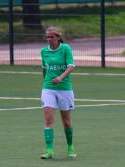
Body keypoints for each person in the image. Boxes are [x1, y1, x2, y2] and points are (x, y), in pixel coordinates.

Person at [40, 27, 76, 159]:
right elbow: (44, 69)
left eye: (51, 37)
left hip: (65, 88)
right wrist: (46, 83)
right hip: (48, 88)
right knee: (48, 119)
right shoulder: (44, 51)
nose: (49, 39)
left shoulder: (66, 48)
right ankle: (49, 151)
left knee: (66, 121)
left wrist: (60, 78)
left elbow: (71, 66)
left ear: (58, 38)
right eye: (47, 37)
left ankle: (70, 147)